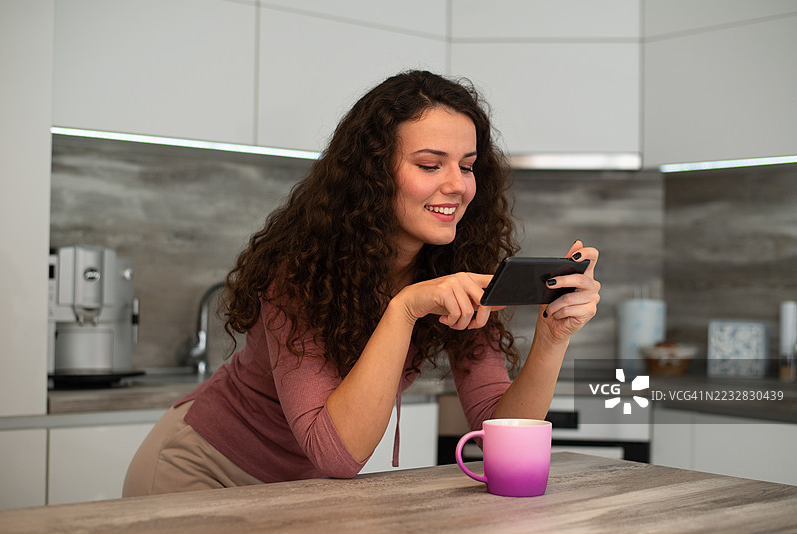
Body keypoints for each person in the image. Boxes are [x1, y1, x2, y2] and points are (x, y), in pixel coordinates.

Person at [122, 70, 601, 496]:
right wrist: (404, 308)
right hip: (204, 472)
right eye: (430, 164)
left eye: (468, 165)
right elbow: (335, 453)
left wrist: (551, 339)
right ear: (374, 174)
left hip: (299, 492)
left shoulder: (455, 265)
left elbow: (499, 427)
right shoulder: (302, 270)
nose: (458, 185)